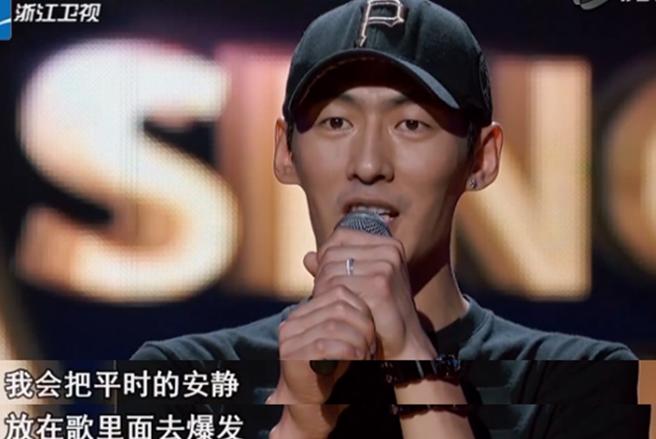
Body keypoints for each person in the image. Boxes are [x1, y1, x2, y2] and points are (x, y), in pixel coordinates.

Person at [129, 0, 651, 437]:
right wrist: (301, 422)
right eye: (337, 122)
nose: (368, 164)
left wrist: (411, 356)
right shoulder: (184, 378)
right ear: (286, 152)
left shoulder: (574, 382)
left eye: (411, 124)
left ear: (482, 159)